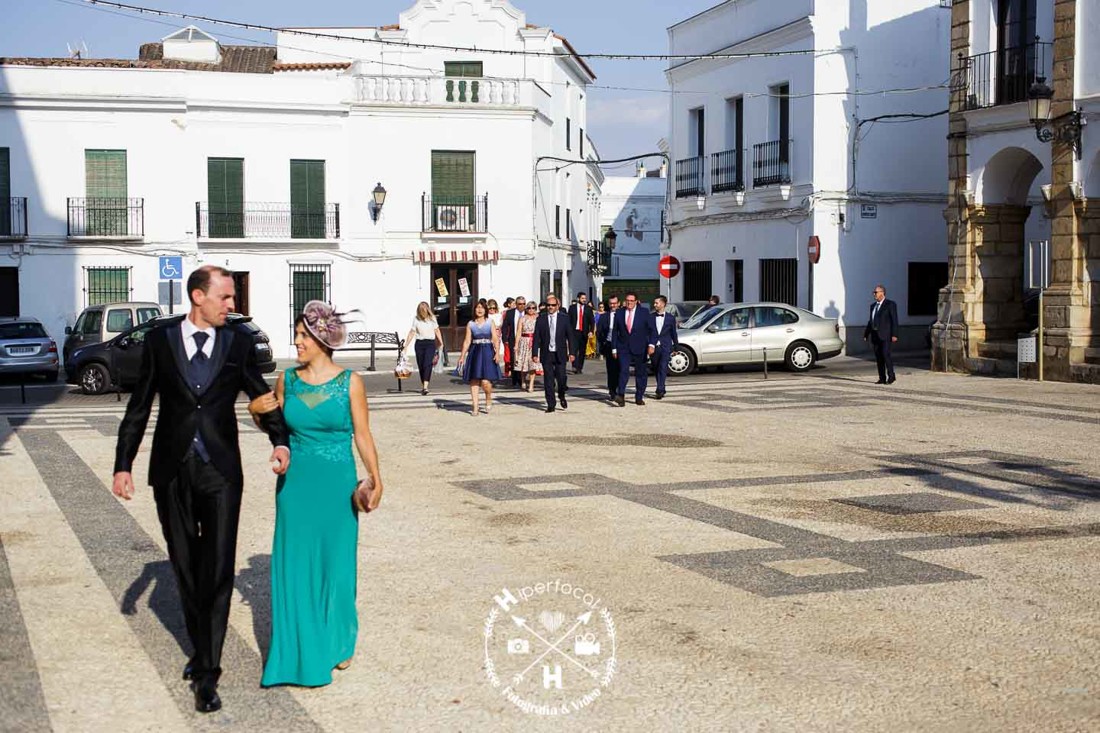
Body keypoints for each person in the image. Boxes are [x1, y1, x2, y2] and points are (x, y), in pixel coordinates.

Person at [112, 265, 290, 713]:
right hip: (170, 471)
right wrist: (123, 465)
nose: (232, 306)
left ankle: (208, 672)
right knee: (186, 570)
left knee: (218, 569)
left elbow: (258, 393)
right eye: (225, 298)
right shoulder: (160, 341)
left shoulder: (238, 343)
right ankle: (200, 648)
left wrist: (280, 439)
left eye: (232, 298)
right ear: (198, 297)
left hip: (221, 473)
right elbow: (139, 407)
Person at [249, 301, 383, 688]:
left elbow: (363, 434)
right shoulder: (286, 381)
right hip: (296, 487)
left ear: (323, 340)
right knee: (295, 567)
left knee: (336, 566)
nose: (297, 341)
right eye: (297, 334)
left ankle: (339, 640)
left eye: (303, 335)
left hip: (337, 484)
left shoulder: (350, 382)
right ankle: (299, 652)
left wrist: (376, 477)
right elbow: (277, 431)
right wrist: (256, 412)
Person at [458, 301, 503, 415]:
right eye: (477, 307)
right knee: (474, 380)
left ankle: (488, 397)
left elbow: (495, 338)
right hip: (475, 351)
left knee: (485, 382)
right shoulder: (470, 324)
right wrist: (462, 356)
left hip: (487, 350)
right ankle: (475, 407)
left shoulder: (490, 322)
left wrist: (497, 353)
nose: (479, 310)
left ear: (485, 310)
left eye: (482, 308)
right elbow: (467, 340)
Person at [532, 294, 573, 413]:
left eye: (553, 305)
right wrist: (535, 353)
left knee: (561, 378)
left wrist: (572, 352)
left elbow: (570, 336)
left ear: (557, 306)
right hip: (546, 352)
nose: (550, 307)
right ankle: (551, 403)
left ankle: (561, 395)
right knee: (548, 380)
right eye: (548, 305)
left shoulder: (564, 318)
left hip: (560, 352)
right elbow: (536, 337)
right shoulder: (541, 319)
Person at [612, 292, 655, 406]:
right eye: (627, 300)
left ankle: (639, 396)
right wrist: (614, 348)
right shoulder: (620, 313)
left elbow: (652, 330)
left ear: (636, 301)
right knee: (623, 371)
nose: (629, 303)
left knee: (640, 373)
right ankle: (620, 395)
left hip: (640, 347)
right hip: (623, 347)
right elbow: (615, 331)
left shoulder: (644, 313)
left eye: (631, 301)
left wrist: (651, 345)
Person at [404, 302, 443, 396]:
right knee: (421, 365)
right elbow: (412, 332)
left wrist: (441, 342)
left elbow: (437, 330)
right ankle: (423, 385)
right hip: (419, 344)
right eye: (421, 310)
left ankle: (425, 387)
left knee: (427, 364)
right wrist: (406, 346)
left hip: (430, 343)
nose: (423, 312)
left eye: (424, 310)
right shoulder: (416, 319)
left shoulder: (432, 319)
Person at [864, 284, 899, 384]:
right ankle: (882, 377)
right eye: (874, 292)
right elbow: (871, 321)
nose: (874, 294)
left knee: (886, 355)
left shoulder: (890, 304)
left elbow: (894, 320)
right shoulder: (873, 306)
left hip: (886, 335)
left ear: (882, 293)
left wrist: (894, 334)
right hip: (875, 335)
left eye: (876, 292)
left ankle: (891, 376)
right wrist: (866, 334)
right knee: (878, 357)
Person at [650, 296, 678, 399]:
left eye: (656, 303)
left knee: (663, 367)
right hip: (654, 347)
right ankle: (662, 386)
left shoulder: (670, 318)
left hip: (665, 346)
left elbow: (673, 333)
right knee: (657, 368)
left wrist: (676, 347)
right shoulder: (651, 317)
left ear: (663, 304)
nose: (654, 305)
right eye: (654, 303)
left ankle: (660, 389)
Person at [596, 295, 621, 400]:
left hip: (621, 346)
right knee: (611, 369)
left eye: (614, 303)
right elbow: (599, 331)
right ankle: (612, 391)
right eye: (611, 303)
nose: (612, 305)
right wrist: (603, 342)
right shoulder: (604, 316)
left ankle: (621, 389)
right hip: (609, 345)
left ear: (618, 303)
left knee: (621, 369)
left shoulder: (623, 315)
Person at [513, 300, 539, 392]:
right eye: (529, 308)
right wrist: (516, 345)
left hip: (534, 342)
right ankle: (523, 380)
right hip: (524, 341)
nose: (531, 310)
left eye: (533, 308)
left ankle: (531, 384)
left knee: (533, 364)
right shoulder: (522, 318)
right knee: (523, 363)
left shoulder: (538, 318)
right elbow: (519, 332)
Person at [501, 296, 527, 388]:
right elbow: (504, 327)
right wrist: (505, 339)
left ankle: (522, 379)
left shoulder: (528, 313)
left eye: (524, 304)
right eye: (520, 304)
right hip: (513, 338)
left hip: (525, 339)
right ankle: (514, 379)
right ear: (516, 304)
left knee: (523, 359)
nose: (522, 306)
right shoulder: (510, 313)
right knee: (513, 359)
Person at [567, 292, 595, 375]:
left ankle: (580, 367)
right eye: (582, 298)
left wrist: (591, 331)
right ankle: (574, 366)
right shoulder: (572, 308)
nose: (584, 300)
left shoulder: (588, 309)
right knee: (574, 350)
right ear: (578, 298)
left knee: (582, 351)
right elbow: (569, 320)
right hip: (574, 332)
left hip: (584, 332)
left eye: (585, 298)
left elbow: (592, 321)